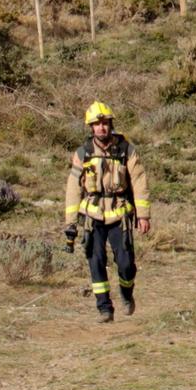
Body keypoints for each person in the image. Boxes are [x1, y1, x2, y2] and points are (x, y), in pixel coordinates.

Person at [62, 101, 150, 324]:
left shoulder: (126, 150)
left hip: (120, 215)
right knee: (96, 261)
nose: (101, 127)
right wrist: (70, 222)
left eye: (105, 123)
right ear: (91, 127)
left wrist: (143, 215)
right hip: (93, 216)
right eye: (96, 124)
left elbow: (139, 181)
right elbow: (73, 188)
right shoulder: (83, 153)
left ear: (110, 124)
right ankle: (104, 308)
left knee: (126, 264)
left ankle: (127, 292)